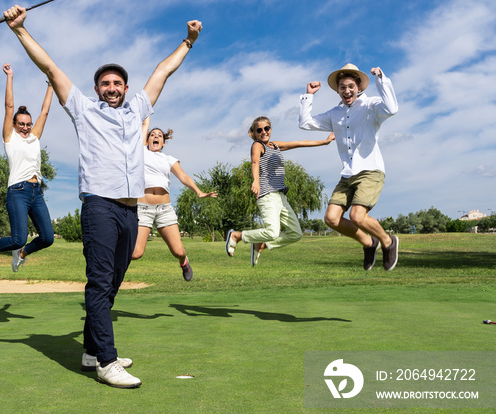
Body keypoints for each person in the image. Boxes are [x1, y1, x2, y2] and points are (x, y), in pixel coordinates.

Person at [3, 4, 202, 388]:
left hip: (132, 210)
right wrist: (20, 30)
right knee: (98, 282)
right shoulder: (83, 109)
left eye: (117, 84)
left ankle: (91, 351)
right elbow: (51, 69)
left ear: (125, 88)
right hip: (99, 206)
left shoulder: (136, 110)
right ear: (97, 89)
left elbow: (162, 72)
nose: (111, 88)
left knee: (110, 285)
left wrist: (188, 42)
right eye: (105, 84)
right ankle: (107, 363)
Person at [299, 63, 399, 271]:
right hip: (347, 174)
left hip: (370, 170)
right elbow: (305, 123)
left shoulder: (371, 106)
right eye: (342, 87)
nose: (347, 91)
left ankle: (388, 242)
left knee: (356, 216)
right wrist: (308, 95)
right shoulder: (334, 113)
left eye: (351, 86)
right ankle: (369, 243)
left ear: (359, 87)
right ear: (338, 90)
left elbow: (392, 108)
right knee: (331, 218)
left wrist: (382, 79)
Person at [0, 63, 54, 273]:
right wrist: (10, 76)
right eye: (21, 124)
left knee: (48, 238)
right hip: (17, 191)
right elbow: (8, 106)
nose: (25, 127)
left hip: (36, 192)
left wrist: (51, 84)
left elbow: (45, 111)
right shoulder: (10, 138)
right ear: (15, 124)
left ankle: (22, 254)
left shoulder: (34, 137)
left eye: (28, 124)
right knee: (18, 238)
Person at [225, 117, 334, 266]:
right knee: (272, 232)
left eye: (267, 128)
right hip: (267, 195)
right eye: (259, 130)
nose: (264, 132)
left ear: (270, 129)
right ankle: (236, 235)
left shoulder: (275, 146)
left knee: (295, 233)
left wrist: (324, 142)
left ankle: (261, 245)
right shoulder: (257, 145)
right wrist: (255, 180)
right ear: (255, 133)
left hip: (281, 197)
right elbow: (255, 161)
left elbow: (300, 143)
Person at [132, 116, 217, 281]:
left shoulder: (168, 159)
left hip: (164, 209)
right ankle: (110, 265)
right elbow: (144, 124)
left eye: (159, 136)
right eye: (152, 135)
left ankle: (183, 262)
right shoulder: (141, 152)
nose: (156, 137)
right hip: (143, 208)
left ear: (163, 143)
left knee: (178, 251)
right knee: (136, 253)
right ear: (146, 140)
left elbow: (183, 177)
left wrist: (198, 192)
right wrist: (147, 108)